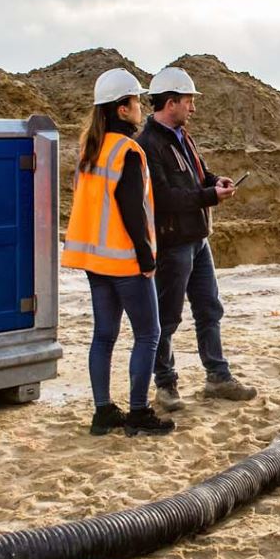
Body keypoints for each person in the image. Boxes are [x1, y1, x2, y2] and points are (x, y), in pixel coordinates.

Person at [60, 67, 175, 437]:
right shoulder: (127, 150)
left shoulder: (90, 150)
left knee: (104, 335)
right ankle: (139, 413)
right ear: (122, 109)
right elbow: (131, 210)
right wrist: (147, 258)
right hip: (124, 260)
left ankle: (103, 412)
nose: (141, 107)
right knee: (148, 334)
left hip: (95, 261)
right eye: (136, 102)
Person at [137, 65, 257, 410]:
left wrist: (216, 181)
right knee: (167, 318)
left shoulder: (182, 137)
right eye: (189, 101)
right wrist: (209, 196)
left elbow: (200, 174)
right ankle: (166, 384)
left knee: (209, 309)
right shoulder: (147, 145)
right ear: (171, 102)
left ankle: (217, 377)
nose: (194, 108)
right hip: (173, 244)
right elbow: (163, 199)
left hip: (197, 239)